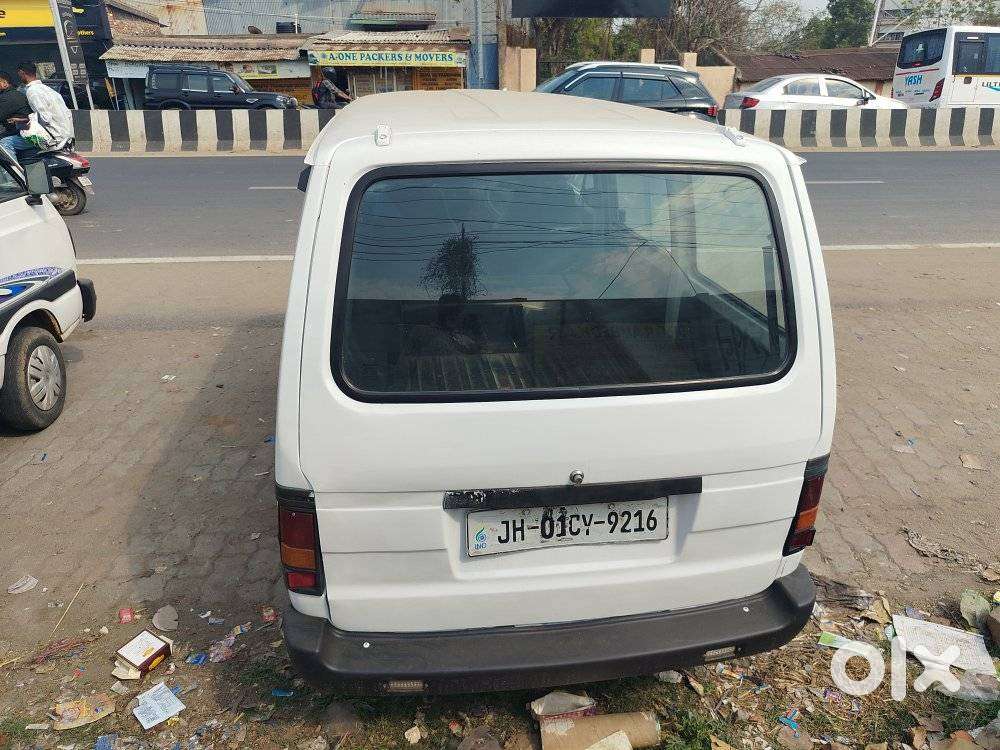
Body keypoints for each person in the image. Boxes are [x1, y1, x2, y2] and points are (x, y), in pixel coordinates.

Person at [0, 61, 74, 164]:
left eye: (19, 75)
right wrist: (23, 119)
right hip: (66, 134)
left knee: (5, 143)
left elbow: (45, 118)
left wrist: (25, 122)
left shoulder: (32, 91)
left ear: (22, 73)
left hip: (52, 137)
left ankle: (14, 177)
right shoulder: (48, 90)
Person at [0, 71, 33, 162]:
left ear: (5, 83)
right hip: (20, 130)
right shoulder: (16, 93)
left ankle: (13, 175)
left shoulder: (8, 97)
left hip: (24, 133)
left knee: (3, 144)